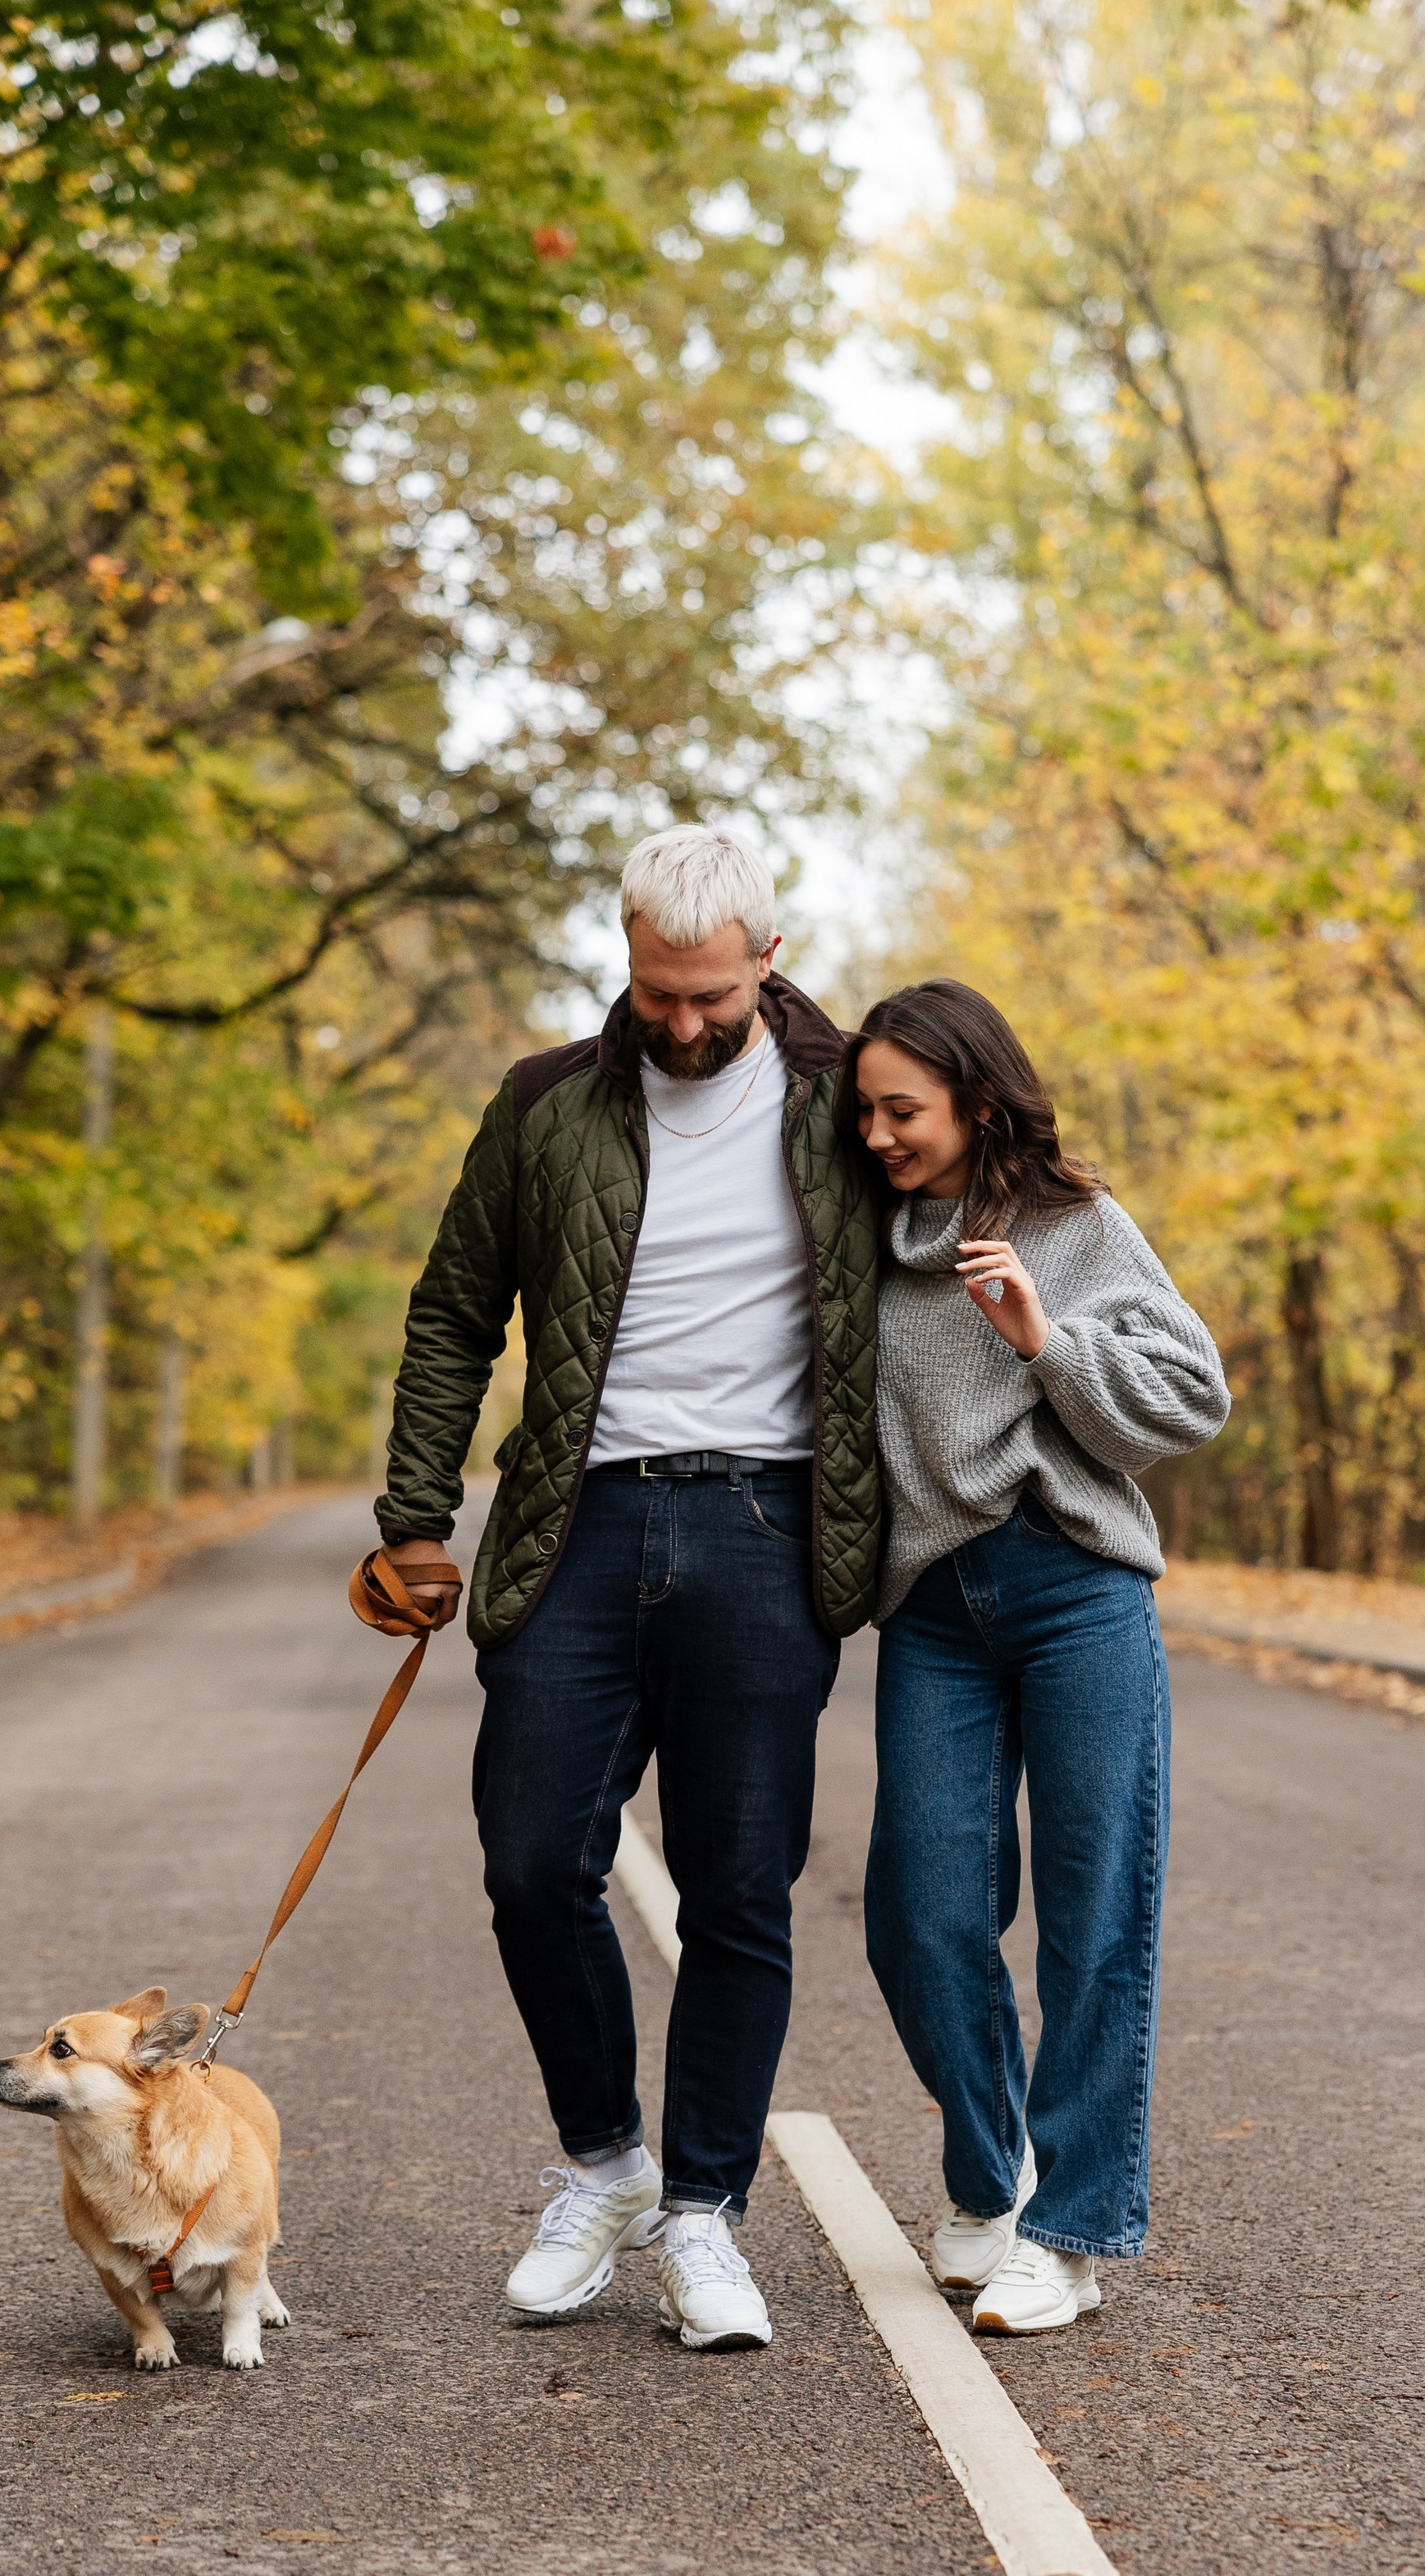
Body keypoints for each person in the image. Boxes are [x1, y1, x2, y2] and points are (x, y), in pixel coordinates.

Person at [371, 828, 879, 2352]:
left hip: (767, 1526)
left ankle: (706, 2215)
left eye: (712, 994)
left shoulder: (848, 1096)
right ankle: (605, 2168)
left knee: (737, 1889)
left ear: (770, 960)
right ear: (628, 954)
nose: (683, 1021)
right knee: (532, 1862)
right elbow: (455, 1313)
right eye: (658, 991)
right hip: (574, 1526)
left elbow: (962, 1235)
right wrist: (412, 1520)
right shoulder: (545, 1103)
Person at [842, 979, 1229, 2335]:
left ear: (975, 1097)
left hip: (1075, 1590)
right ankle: (988, 2175)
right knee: (921, 1913)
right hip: (934, 1610)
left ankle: (1071, 2233)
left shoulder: (1075, 1226)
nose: (880, 1134)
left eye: (903, 1110)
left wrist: (1046, 1341)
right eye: (866, 1112)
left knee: (1095, 1917)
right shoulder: (865, 1238)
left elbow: (1191, 1396)